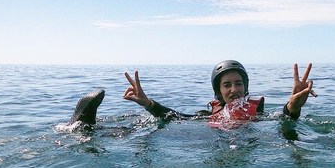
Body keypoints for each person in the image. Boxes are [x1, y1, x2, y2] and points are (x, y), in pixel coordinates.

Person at [123, 60, 317, 121]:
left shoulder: (258, 117)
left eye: (239, 83)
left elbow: (283, 121)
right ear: (218, 92)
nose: (234, 90)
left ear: (245, 87)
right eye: (227, 85)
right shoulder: (206, 116)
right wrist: (148, 104)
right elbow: (175, 117)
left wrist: (293, 107)